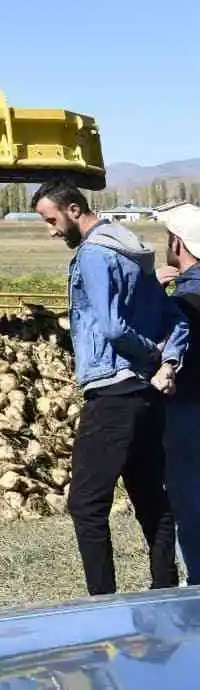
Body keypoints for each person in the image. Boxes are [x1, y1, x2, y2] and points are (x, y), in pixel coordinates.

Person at [32, 180, 185, 595]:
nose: (51, 230)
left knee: (86, 504)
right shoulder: (135, 252)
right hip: (146, 397)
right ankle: (165, 591)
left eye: (51, 220)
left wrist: (150, 356)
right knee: (150, 495)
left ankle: (102, 603)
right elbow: (174, 319)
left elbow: (113, 327)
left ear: (75, 210)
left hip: (113, 392)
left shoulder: (95, 255)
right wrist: (168, 361)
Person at [155, 202, 200, 582]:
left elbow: (159, 348)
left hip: (188, 412)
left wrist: (149, 295)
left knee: (190, 504)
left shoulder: (178, 302)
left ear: (178, 245)